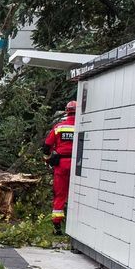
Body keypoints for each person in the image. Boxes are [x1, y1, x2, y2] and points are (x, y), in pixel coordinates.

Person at [42, 99, 77, 234]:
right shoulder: (83, 126)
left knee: (60, 194)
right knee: (78, 195)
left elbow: (46, 147)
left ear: (67, 111)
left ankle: (57, 227)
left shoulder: (59, 127)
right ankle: (75, 225)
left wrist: (47, 159)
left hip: (61, 165)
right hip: (78, 165)